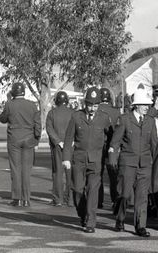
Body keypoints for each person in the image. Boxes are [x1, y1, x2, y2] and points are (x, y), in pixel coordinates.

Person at [62, 87, 112, 234]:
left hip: (96, 160)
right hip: (79, 159)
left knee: (92, 190)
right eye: (90, 105)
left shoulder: (104, 118)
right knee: (77, 190)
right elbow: (68, 138)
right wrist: (66, 158)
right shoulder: (76, 117)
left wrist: (111, 154)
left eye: (95, 105)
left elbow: (110, 138)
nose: (92, 108)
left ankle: (90, 221)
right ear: (85, 104)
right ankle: (83, 214)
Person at [109, 87, 157, 237]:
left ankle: (140, 226)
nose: (146, 108)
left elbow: (154, 144)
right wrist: (112, 160)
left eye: (148, 105)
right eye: (144, 105)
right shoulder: (124, 119)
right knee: (124, 194)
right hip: (127, 163)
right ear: (136, 105)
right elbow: (115, 142)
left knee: (142, 196)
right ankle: (120, 219)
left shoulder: (150, 121)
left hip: (144, 164)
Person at [0, 82, 41, 207]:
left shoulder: (10, 104)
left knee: (15, 169)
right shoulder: (32, 105)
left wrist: (8, 101)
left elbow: (2, 118)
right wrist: (37, 138)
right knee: (26, 170)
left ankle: (17, 198)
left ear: (13, 92)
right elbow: (37, 124)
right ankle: (26, 198)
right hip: (29, 138)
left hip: (14, 139)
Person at [45, 91, 74, 207]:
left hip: (57, 146)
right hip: (70, 145)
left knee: (57, 172)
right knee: (70, 172)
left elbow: (49, 129)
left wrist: (57, 141)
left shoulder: (52, 113)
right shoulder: (73, 113)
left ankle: (58, 199)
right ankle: (71, 199)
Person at [97, 88, 120, 209]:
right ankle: (114, 200)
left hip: (99, 146)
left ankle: (98, 201)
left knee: (98, 174)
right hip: (112, 146)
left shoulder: (97, 110)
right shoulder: (115, 111)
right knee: (113, 175)